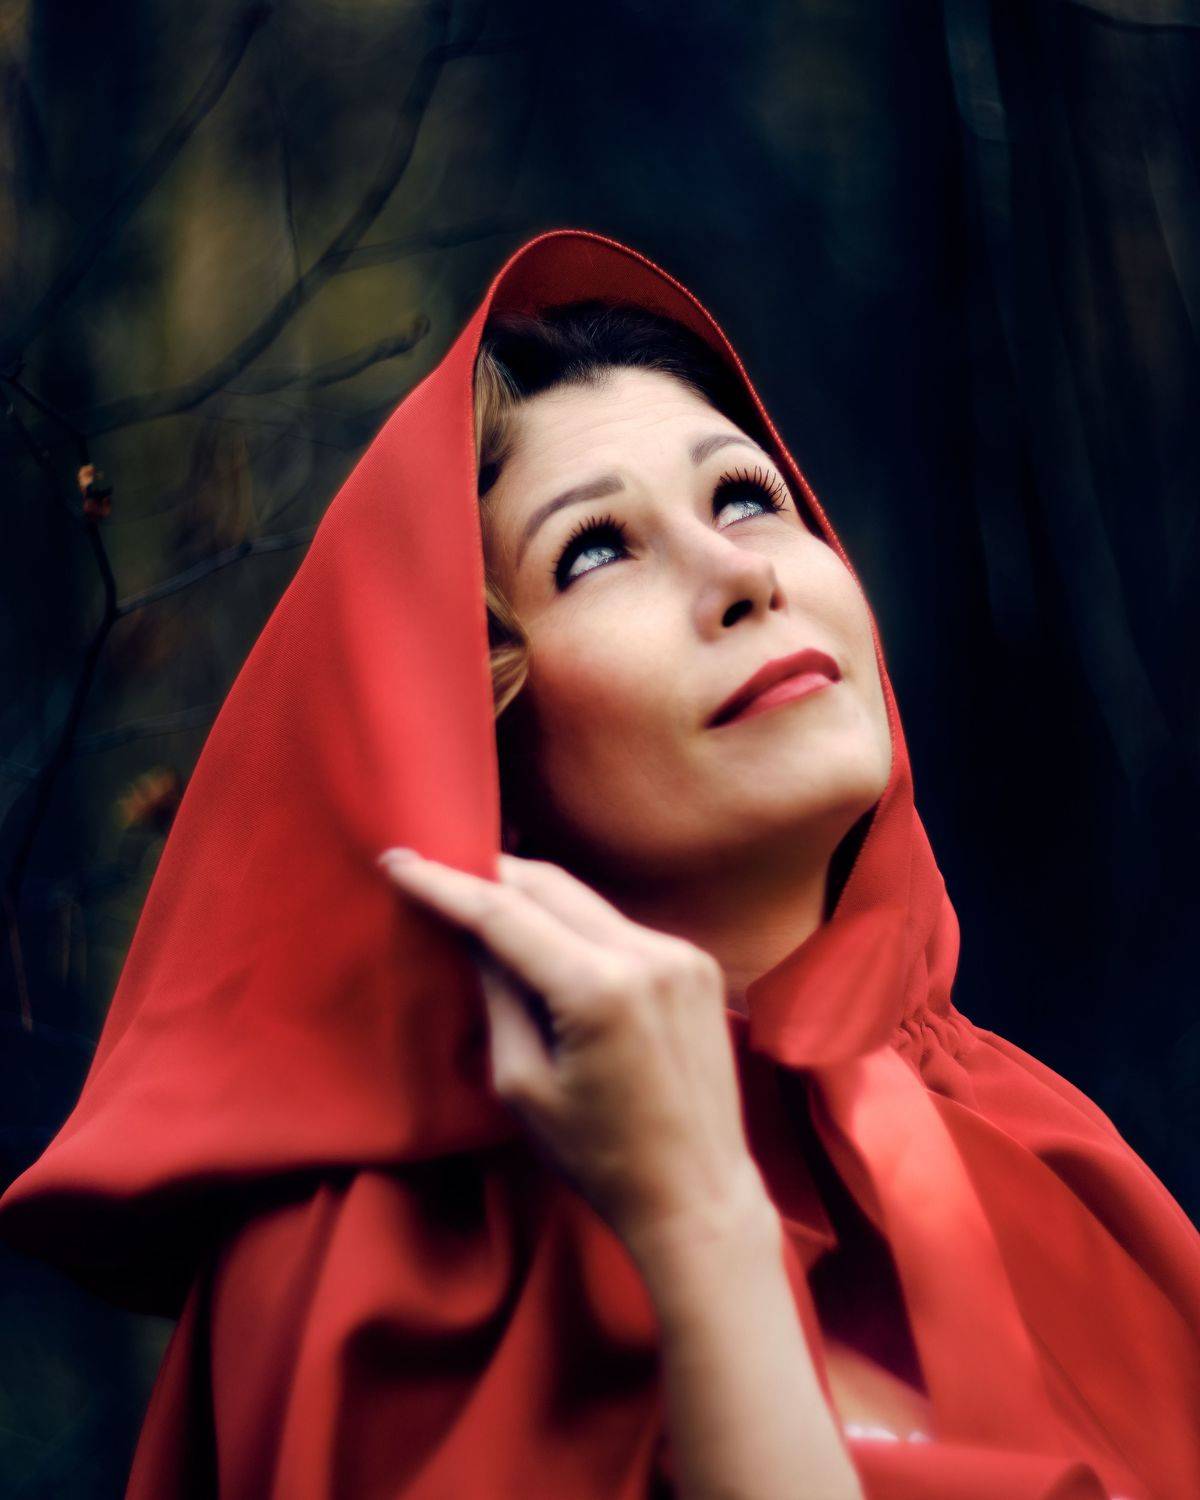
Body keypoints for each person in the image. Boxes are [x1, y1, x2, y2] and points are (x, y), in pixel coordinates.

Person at [1, 228, 1197, 1500]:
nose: (741, 574)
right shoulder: (379, 1286)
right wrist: (701, 1226)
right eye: (596, 550)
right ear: (474, 734)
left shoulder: (1049, 1155)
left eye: (747, 497)